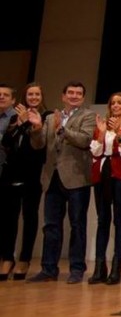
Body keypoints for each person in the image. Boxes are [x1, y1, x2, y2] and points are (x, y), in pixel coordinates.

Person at [27, 81, 95, 284]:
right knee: (51, 226)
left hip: (76, 178)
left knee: (77, 225)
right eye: (71, 93)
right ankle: (48, 269)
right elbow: (38, 145)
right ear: (63, 96)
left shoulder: (88, 116)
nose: (74, 96)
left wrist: (63, 129)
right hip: (52, 178)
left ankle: (76, 269)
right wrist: (37, 128)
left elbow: (84, 140)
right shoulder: (49, 118)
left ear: (83, 98)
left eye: (79, 93)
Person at [88, 92, 121, 285]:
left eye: (120, 103)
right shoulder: (101, 127)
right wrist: (101, 135)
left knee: (119, 219)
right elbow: (95, 151)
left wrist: (119, 134)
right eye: (113, 103)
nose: (116, 106)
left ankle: (117, 267)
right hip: (101, 174)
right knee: (103, 219)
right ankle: (100, 267)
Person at [0, 83, 48, 281]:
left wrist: (35, 126)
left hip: (32, 173)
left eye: (37, 94)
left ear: (41, 97)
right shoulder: (14, 117)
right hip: (11, 173)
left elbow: (40, 146)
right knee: (8, 218)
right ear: (24, 96)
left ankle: (25, 258)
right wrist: (19, 125)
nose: (34, 97)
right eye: (30, 94)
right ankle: (7, 258)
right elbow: (6, 144)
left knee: (29, 217)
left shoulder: (47, 116)